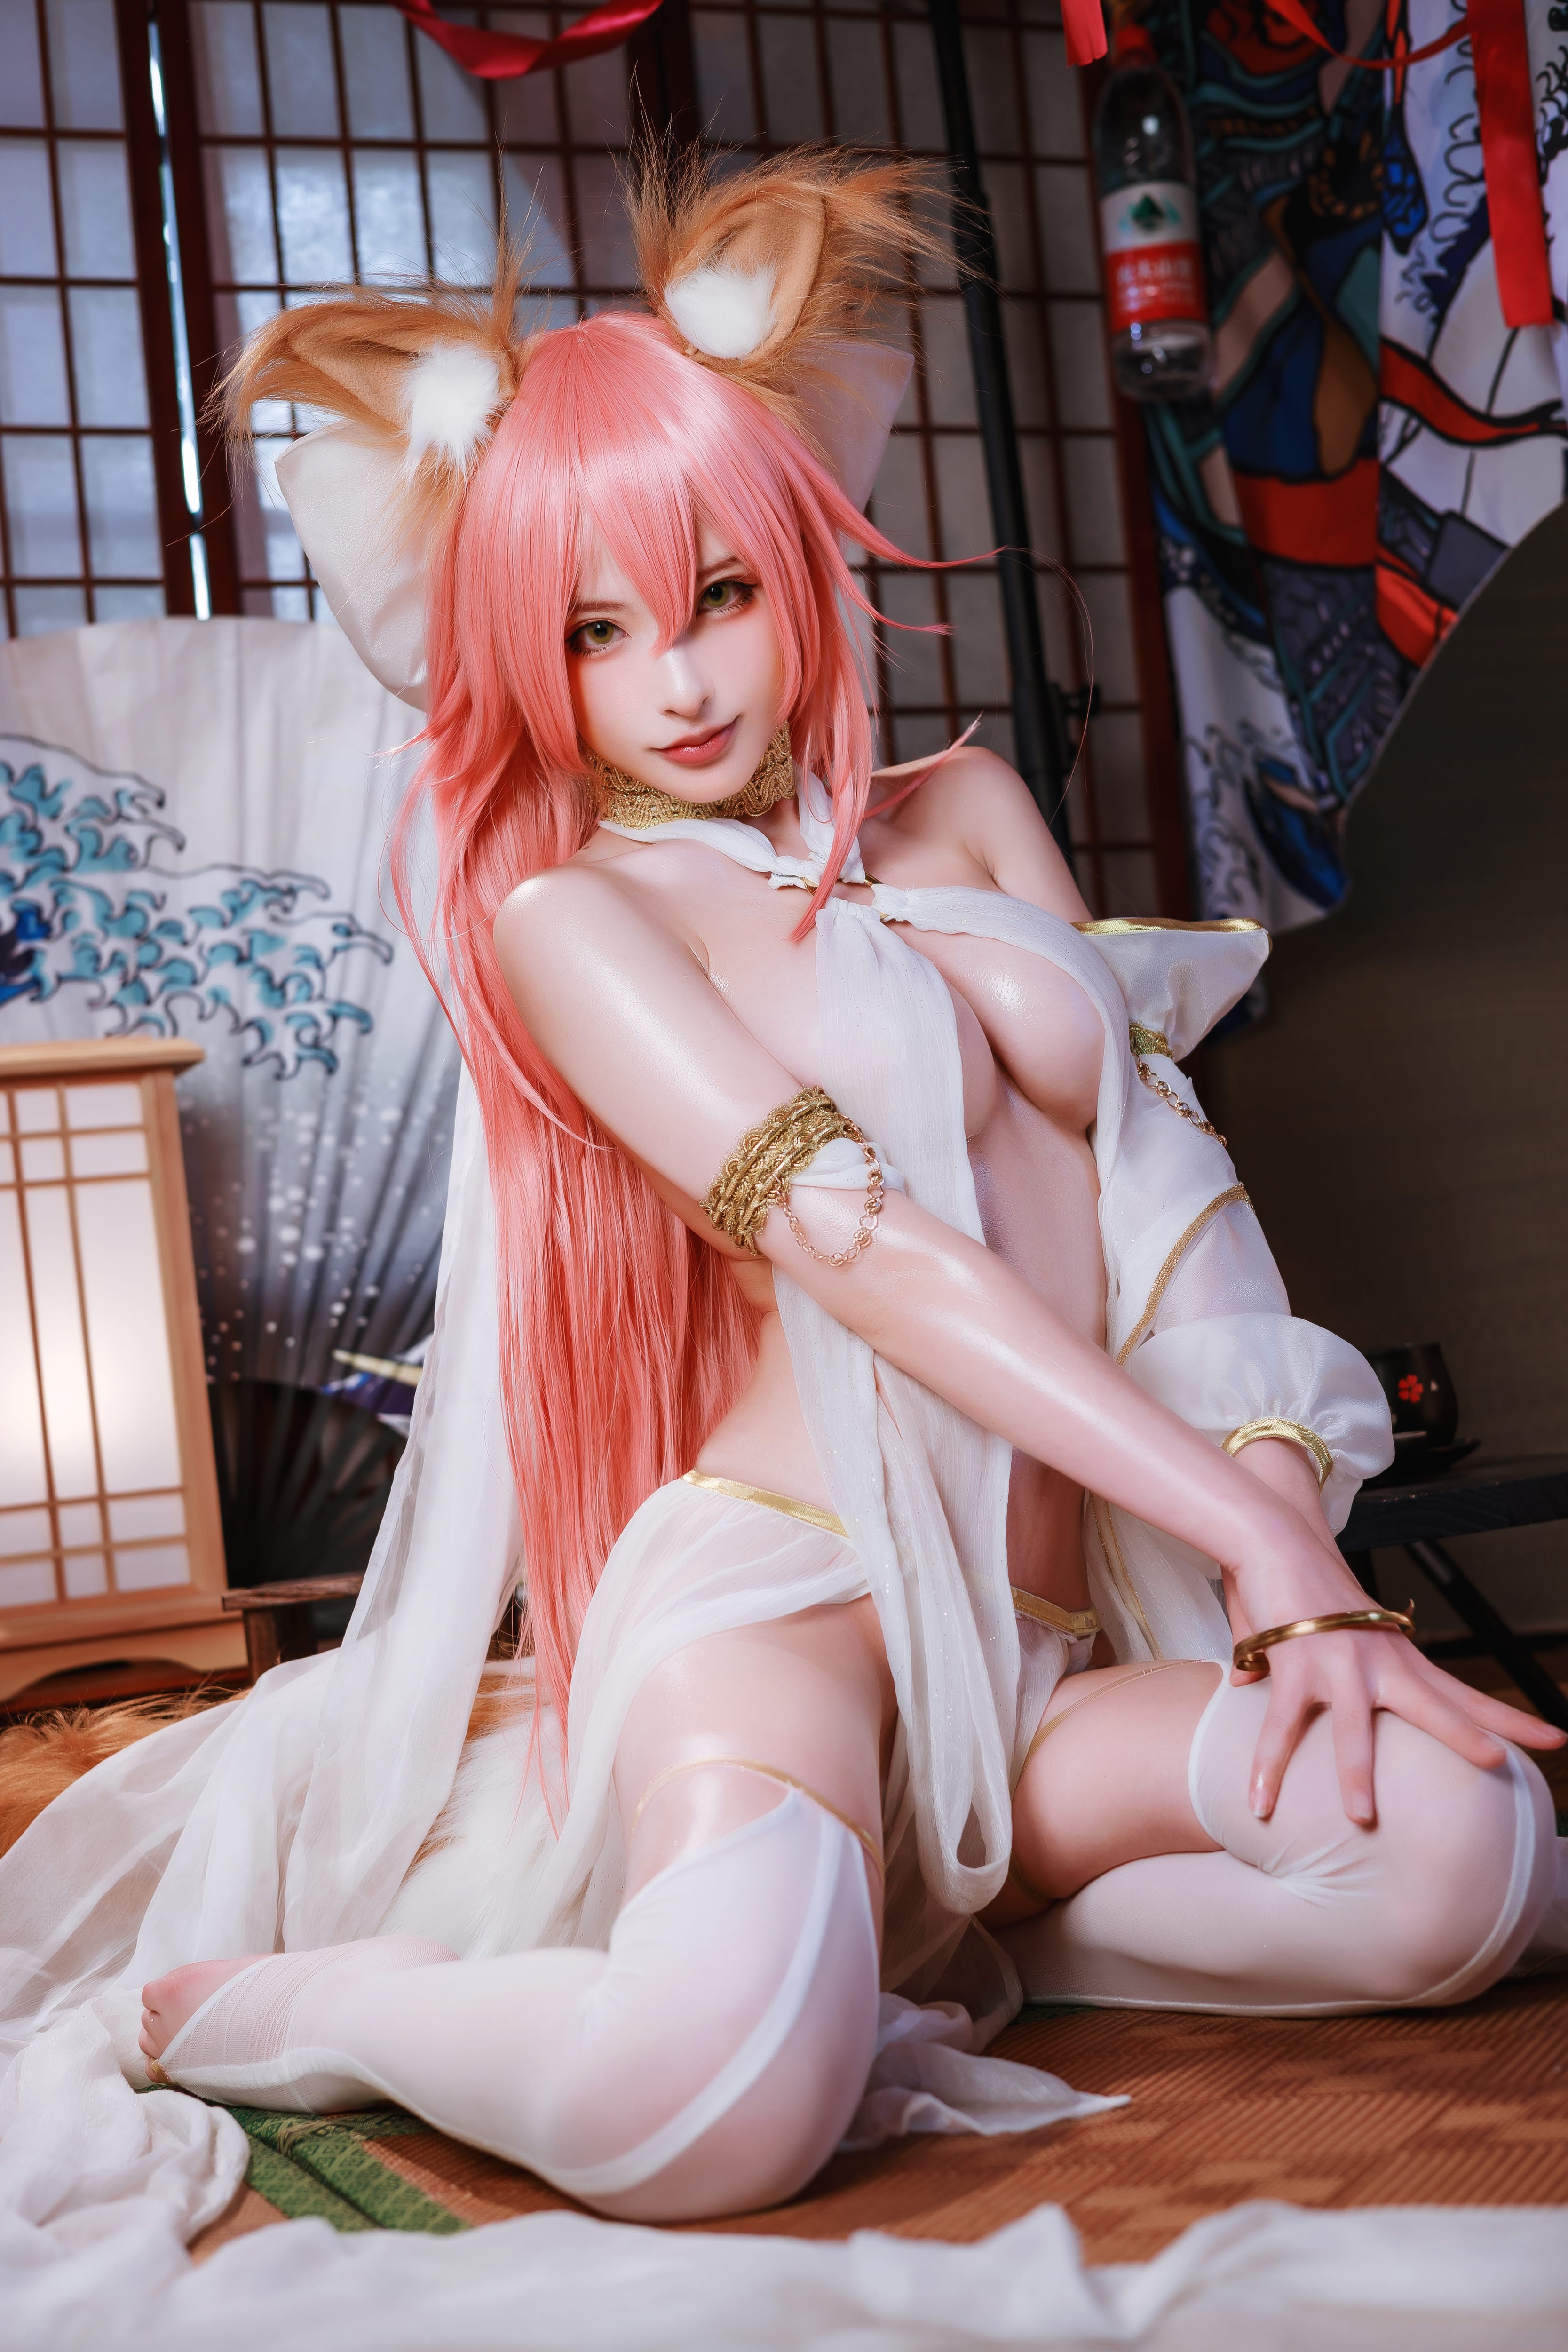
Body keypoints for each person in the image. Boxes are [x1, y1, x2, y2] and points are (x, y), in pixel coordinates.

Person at [6, 156, 1563, 2231]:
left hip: (1042, 1651)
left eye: (720, 594)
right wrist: (1255, 1536)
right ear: (530, 656)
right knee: (727, 2114)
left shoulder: (969, 805)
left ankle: (957, 1948)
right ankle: (335, 2005)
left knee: (1473, 1862)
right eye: (597, 631)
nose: (678, 682)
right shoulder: (580, 917)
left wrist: (1281, 1521)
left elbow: (1165, 1193)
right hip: (784, 1620)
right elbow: (869, 1251)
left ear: (804, 556)